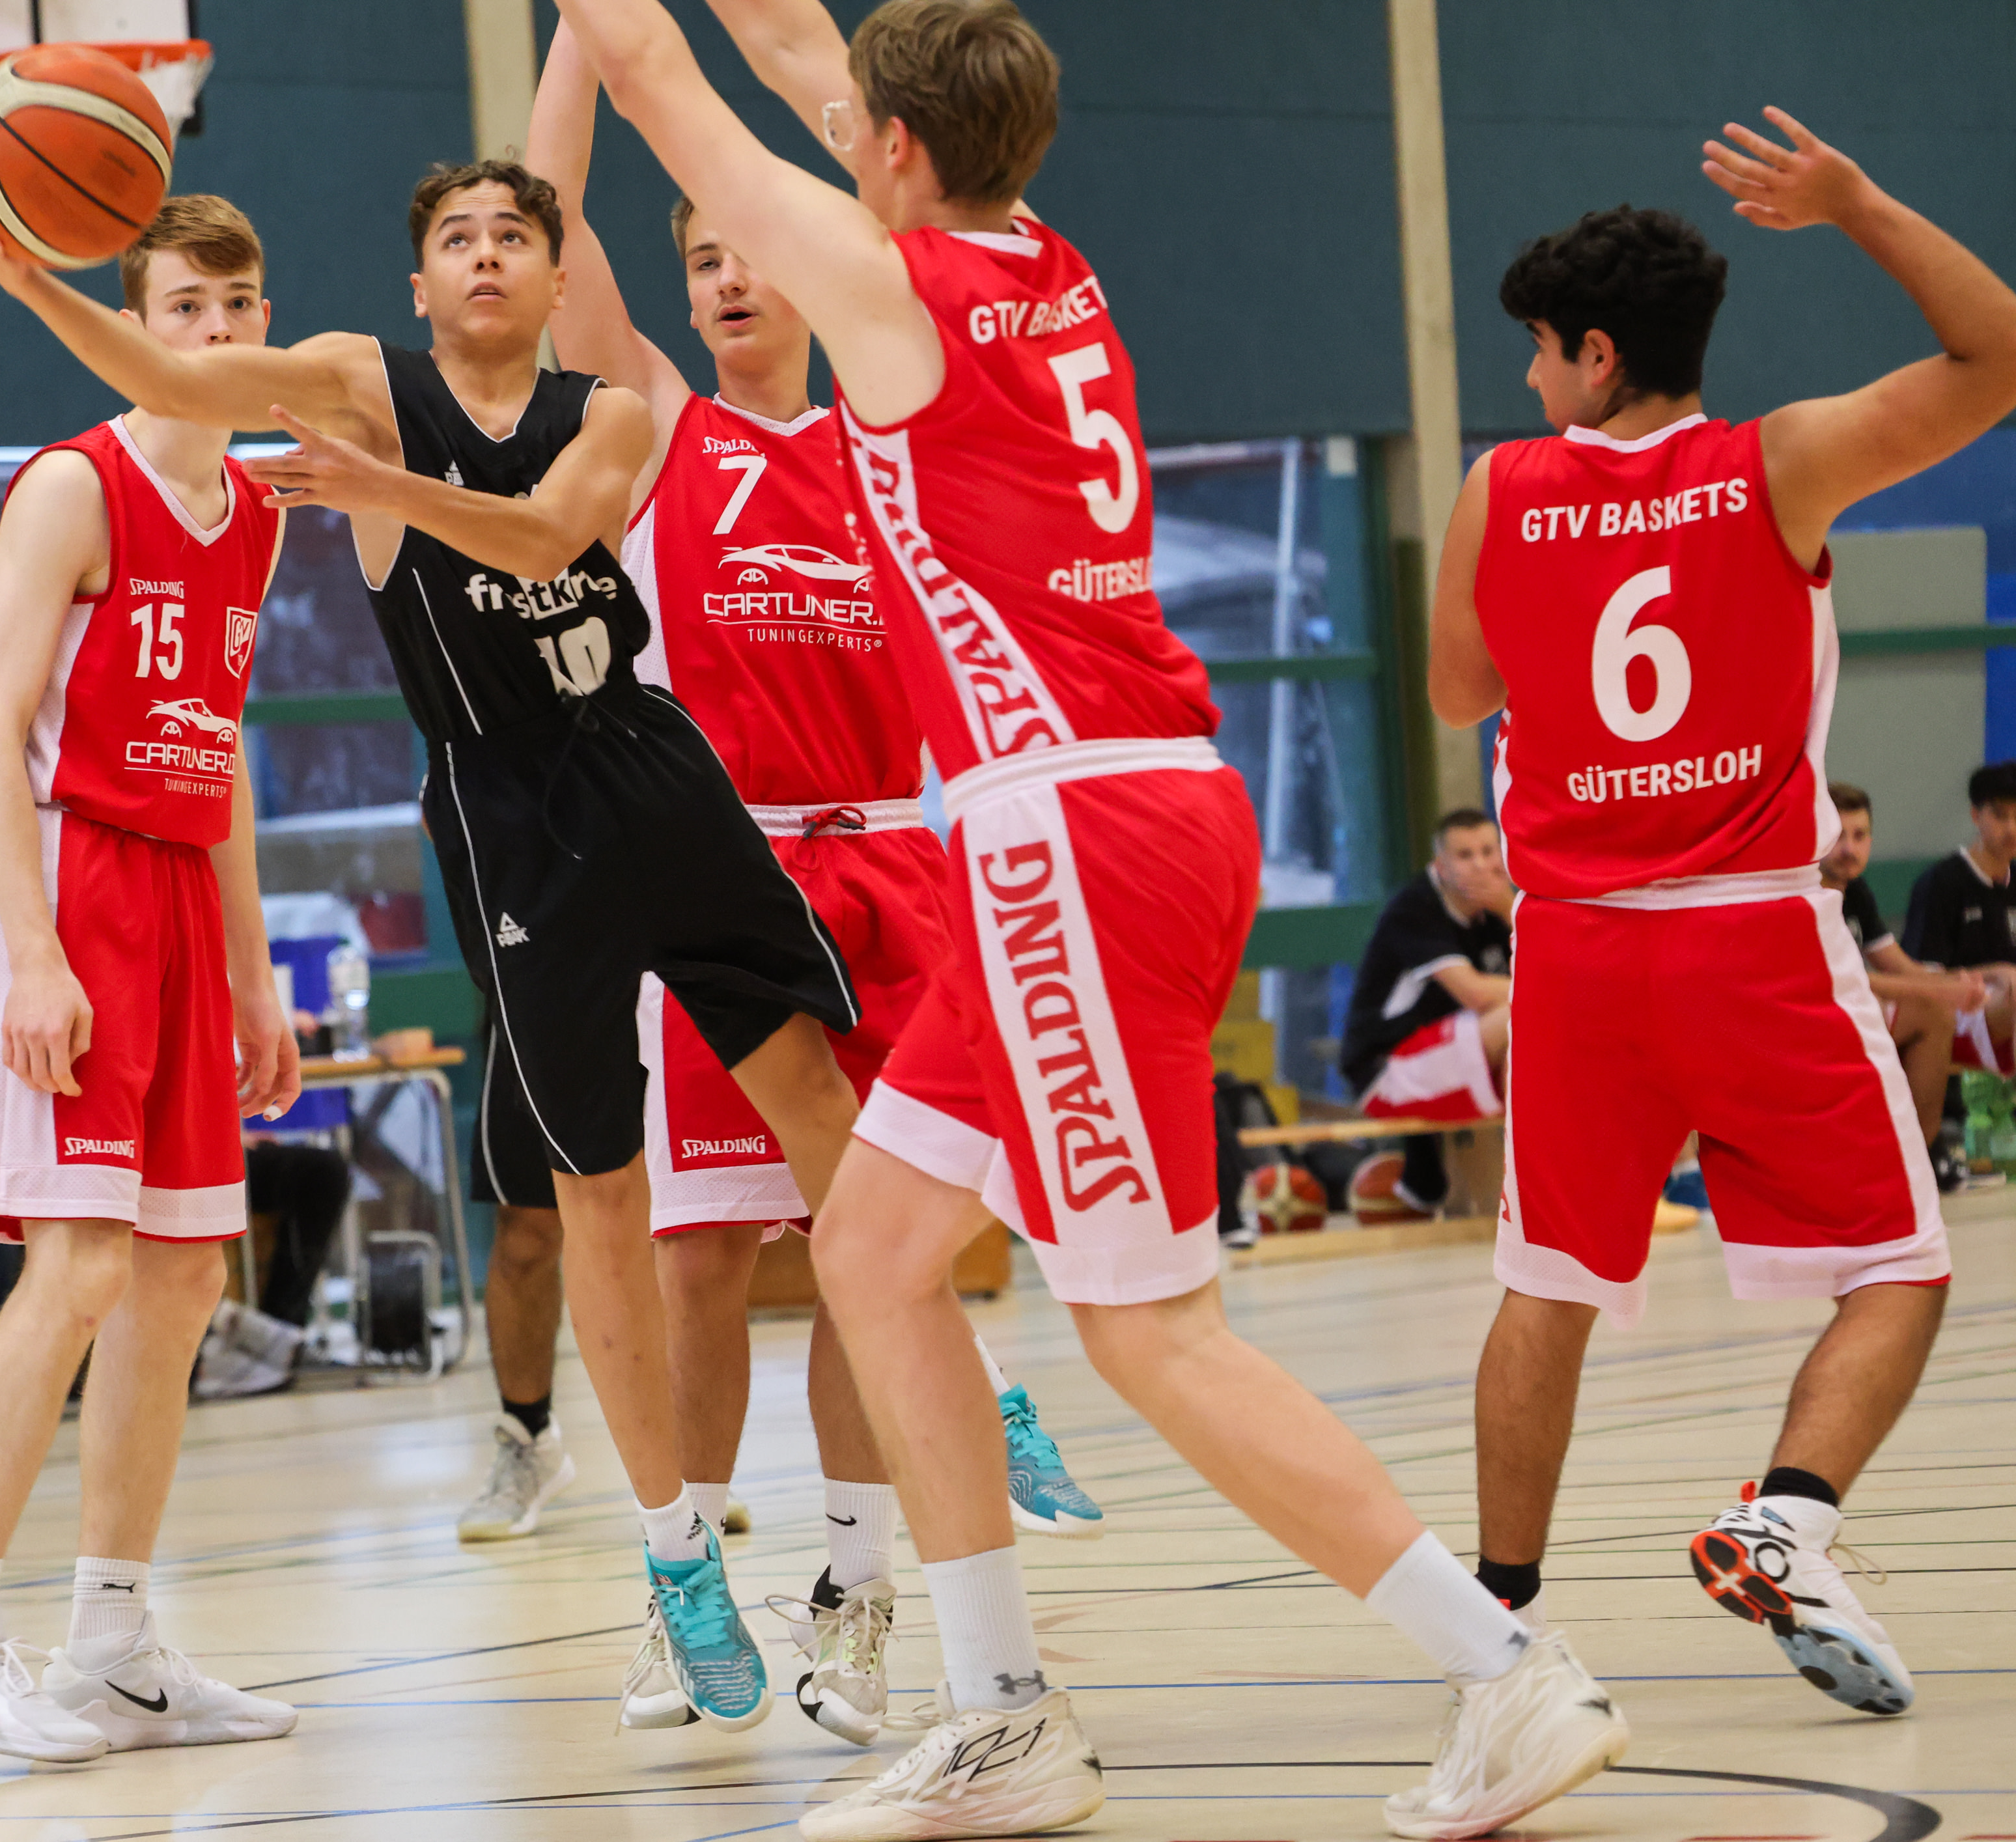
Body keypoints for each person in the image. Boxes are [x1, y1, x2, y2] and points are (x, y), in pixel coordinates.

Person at [560, 1, 1623, 1834]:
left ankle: (1503, 1668)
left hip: (1068, 830)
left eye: (857, 128)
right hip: (1116, 812)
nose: (835, 141)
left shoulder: (884, 296)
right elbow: (804, 51)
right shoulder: (1042, 256)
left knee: (1149, 1327)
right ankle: (1002, 1716)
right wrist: (819, 68)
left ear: (894, 148)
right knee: (875, 1252)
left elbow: (657, 78)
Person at [0, 145, 876, 1735]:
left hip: (649, 767)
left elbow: (545, 539)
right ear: (418, 282)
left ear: (557, 273)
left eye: (516, 231)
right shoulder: (354, 387)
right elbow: (171, 378)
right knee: (591, 1195)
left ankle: (885, 1536)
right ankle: (671, 1557)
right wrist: (31, 275)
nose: (488, 253)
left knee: (835, 1133)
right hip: (503, 810)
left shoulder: (608, 411)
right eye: (457, 234)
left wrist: (378, 497)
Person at [525, 19, 1103, 1745]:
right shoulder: (655, 429)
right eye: (697, 260)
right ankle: (686, 1586)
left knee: (880, 1254)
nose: (722, 279)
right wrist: (581, 35)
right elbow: (550, 223)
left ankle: (855, 1595)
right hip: (726, 870)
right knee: (703, 1259)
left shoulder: (890, 423)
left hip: (896, 862)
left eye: (743, 251)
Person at [1429, 117, 1999, 1731]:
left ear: (1596, 355)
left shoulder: (1495, 487)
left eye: (1539, 351)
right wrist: (1858, 201)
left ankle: (1497, 1622)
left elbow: (1457, 691)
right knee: (1894, 1268)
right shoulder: (1779, 462)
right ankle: (1786, 1519)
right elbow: (1997, 355)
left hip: (1575, 949)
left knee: (1543, 1284)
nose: (1528, 380)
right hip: (1748, 937)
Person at [0, 195, 301, 1763]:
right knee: (79, 1268)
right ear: (134, 322)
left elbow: (219, 749)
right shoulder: (73, 482)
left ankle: (110, 1644)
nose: (215, 331)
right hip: (70, 874)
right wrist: (31, 949)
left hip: (179, 893)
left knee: (179, 1280)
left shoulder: (258, 508)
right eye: (183, 307)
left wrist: (254, 972)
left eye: (236, 303)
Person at [1340, 809, 1516, 1212]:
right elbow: (1475, 993)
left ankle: (1552, 1178)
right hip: (1386, 1071)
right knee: (1524, 1014)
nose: (1481, 865)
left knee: (1552, 1027)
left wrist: (1509, 909)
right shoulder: (1414, 908)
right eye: (1465, 855)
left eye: (1488, 851)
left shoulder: (1500, 910)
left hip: (1451, 1052)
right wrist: (1561, 994)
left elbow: (1554, 965)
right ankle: (1533, 1187)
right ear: (1440, 865)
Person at [456, 999, 580, 1539]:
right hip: (533, 993)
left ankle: (694, 1469)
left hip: (657, 983)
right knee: (527, 1228)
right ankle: (528, 1441)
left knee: (670, 1225)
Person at [1824, 782, 1988, 1185]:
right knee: (1932, 1015)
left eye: (1859, 836)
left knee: (1942, 1009)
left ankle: (1915, 1154)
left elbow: (1896, 964)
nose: (1849, 849)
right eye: (1838, 836)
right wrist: (1940, 991)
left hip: (1850, 1011)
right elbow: (1854, 981)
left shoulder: (1855, 889)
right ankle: (1912, 1161)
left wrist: (1958, 983)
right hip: (1812, 1020)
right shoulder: (1809, 892)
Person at [192, 1134, 349, 1398]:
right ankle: (199, 1351)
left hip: (203, 1144)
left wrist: (224, 1131)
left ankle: (277, 1336)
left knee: (323, 1172)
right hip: (148, 1153)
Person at [1901, 759, 2016, 1076]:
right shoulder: (1941, 882)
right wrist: (1997, 972)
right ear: (1976, 815)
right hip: (1957, 1010)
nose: (2012, 829)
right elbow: (1923, 977)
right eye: (2001, 816)